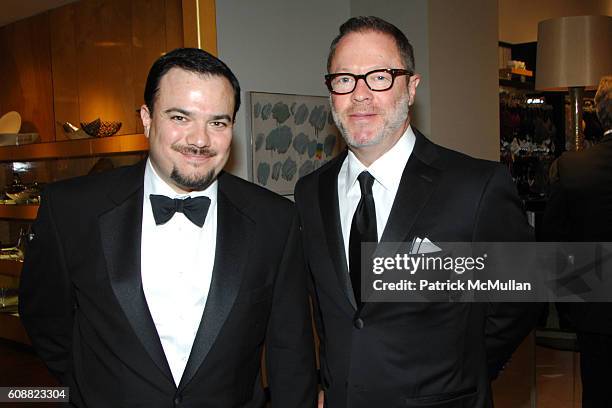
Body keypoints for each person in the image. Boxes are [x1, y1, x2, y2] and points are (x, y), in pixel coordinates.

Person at [19, 48, 317, 407]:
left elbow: (291, 351)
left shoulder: (275, 220)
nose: (200, 139)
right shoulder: (72, 209)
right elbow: (47, 320)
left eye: (217, 123)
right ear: (147, 118)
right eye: (180, 117)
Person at [294, 16, 538, 407]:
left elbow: (521, 298)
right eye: (344, 79)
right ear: (331, 92)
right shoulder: (311, 191)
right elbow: (330, 310)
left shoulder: (475, 187)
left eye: (380, 76)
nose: (360, 94)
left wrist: (461, 374)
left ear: (411, 88)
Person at [543, 76, 612, 408]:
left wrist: (567, 305)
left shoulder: (572, 167)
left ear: (598, 114)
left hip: (595, 304)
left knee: (598, 392)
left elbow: (554, 240)